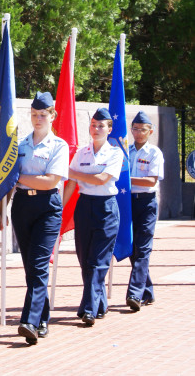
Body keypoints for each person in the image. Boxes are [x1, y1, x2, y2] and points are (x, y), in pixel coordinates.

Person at [10, 92, 69, 344]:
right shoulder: (21, 144)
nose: (37, 119)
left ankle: (30, 321)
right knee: (31, 267)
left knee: (38, 264)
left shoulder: (59, 146)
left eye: (42, 115)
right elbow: (9, 178)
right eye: (34, 114)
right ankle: (43, 318)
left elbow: (50, 182)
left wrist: (18, 178)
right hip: (22, 205)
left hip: (47, 207)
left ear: (52, 115)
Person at [63, 108, 124, 326]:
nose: (96, 129)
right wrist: (59, 208)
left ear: (109, 129)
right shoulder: (82, 152)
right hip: (85, 205)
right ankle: (98, 303)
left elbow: (101, 179)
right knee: (84, 257)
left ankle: (88, 307)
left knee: (97, 260)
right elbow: (71, 183)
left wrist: (76, 174)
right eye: (93, 125)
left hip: (106, 207)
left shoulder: (115, 153)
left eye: (101, 126)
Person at [126, 111, 164, 311]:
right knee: (132, 248)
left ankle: (135, 293)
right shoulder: (127, 150)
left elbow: (151, 180)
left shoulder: (154, 153)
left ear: (150, 131)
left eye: (143, 130)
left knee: (143, 247)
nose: (138, 133)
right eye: (135, 129)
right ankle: (146, 290)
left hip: (146, 202)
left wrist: (126, 180)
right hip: (128, 202)